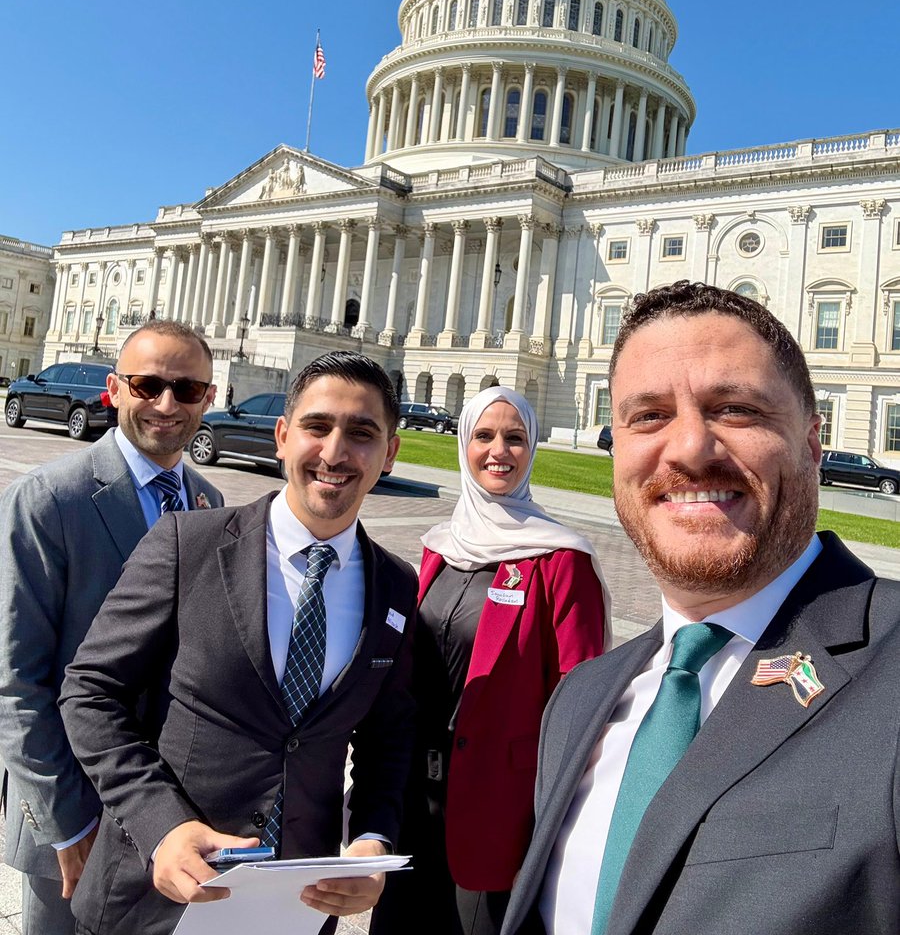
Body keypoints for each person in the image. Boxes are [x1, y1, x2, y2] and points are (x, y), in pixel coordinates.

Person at [501, 281, 900, 935]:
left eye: (735, 409)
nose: (689, 449)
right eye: (650, 416)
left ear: (811, 443)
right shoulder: (579, 699)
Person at [59, 350, 417, 935]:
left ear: (390, 453)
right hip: (158, 897)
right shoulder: (187, 544)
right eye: (317, 426)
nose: (334, 453)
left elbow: (388, 738)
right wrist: (161, 825)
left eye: (361, 433)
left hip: (296, 906)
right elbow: (90, 693)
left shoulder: (396, 585)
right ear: (281, 436)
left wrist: (374, 839)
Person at [0, 320, 224, 935]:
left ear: (209, 397)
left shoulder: (210, 503)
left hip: (169, 813)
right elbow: (17, 681)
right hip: (72, 811)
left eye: (186, 389)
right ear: (114, 389)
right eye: (147, 385)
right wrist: (67, 823)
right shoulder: (49, 499)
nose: (166, 404)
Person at [373, 386, 610, 935]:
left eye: (515, 438)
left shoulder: (561, 561)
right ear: (464, 444)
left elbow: (581, 704)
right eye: (483, 435)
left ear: (532, 450)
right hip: (413, 800)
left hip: (497, 814)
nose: (498, 451)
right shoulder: (440, 546)